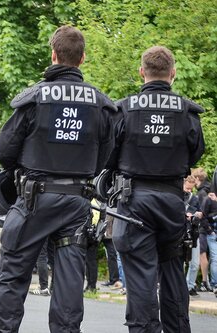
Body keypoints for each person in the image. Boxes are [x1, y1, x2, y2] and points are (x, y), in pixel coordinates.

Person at [0, 26, 117, 332]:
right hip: (76, 202)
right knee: (70, 279)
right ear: (82, 58)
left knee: (13, 273)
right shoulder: (100, 104)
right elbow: (106, 157)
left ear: (53, 54)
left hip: (34, 199)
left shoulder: (35, 98)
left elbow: (5, 151)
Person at [109, 46, 204, 332]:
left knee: (140, 276)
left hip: (134, 200)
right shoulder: (187, 111)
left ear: (142, 72)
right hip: (172, 201)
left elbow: (109, 155)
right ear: (173, 74)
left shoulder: (124, 109)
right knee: (173, 267)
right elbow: (196, 153)